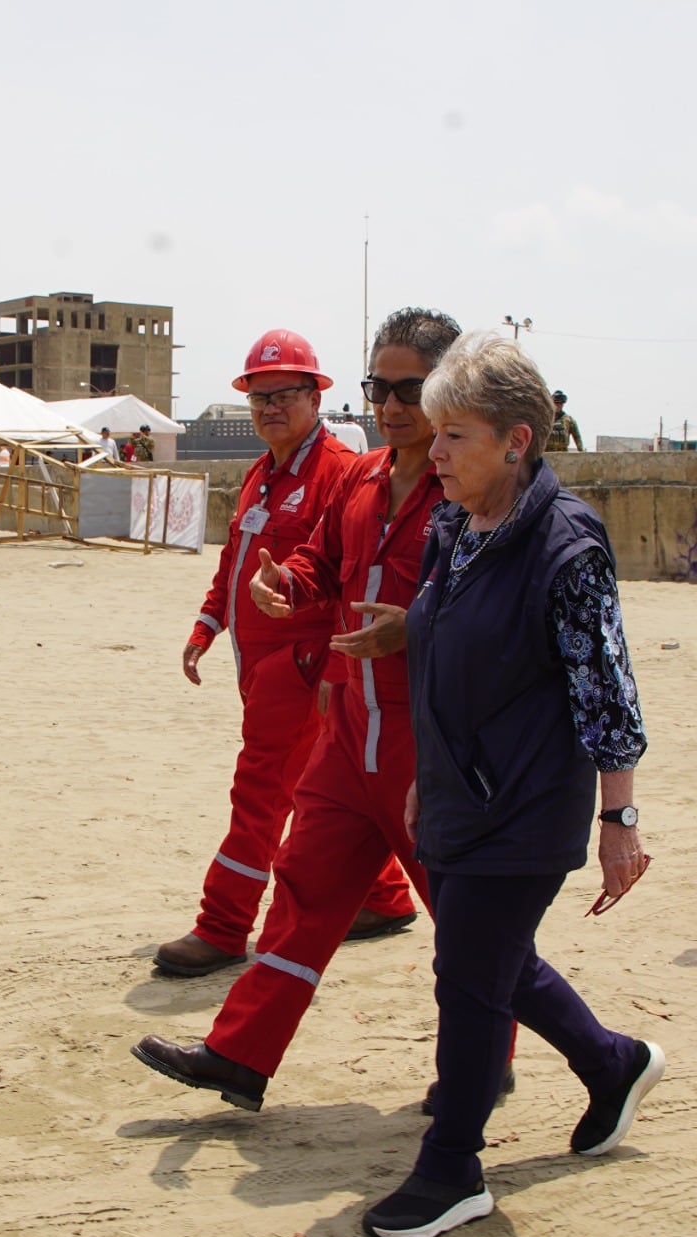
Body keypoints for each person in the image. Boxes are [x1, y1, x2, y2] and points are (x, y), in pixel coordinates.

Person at [359, 332, 661, 1237]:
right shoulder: (455, 527)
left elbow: (605, 683)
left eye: (455, 435)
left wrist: (620, 817)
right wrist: (422, 773)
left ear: (516, 441)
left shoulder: (567, 547)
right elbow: (444, 650)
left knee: (469, 978)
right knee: (497, 963)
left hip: (526, 802)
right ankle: (615, 1064)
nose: (434, 451)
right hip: (454, 791)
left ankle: (453, 1166)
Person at [135, 307, 461, 1109]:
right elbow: (316, 558)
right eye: (378, 387)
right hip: (350, 723)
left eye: (410, 388)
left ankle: (578, 1055)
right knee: (309, 890)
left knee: (467, 916)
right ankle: (239, 1054)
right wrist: (258, 600)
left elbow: (496, 609)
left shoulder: (469, 492)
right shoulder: (361, 480)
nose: (390, 403)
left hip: (417, 738)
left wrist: (386, 638)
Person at [159, 329, 418, 978]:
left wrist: (334, 668)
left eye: (285, 395)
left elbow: (349, 575)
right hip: (261, 667)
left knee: (260, 794)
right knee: (315, 792)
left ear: (316, 397)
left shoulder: (339, 473)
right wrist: (206, 625)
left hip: (301, 671)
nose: (270, 408)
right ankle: (385, 897)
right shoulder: (262, 475)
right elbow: (236, 561)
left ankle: (221, 927)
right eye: (259, 398)